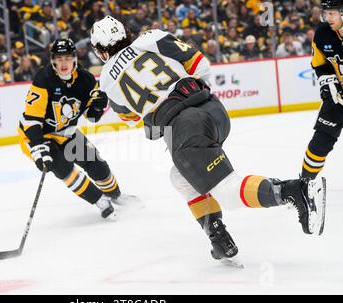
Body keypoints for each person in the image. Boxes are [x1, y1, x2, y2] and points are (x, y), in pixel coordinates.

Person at [90, 16, 326, 265]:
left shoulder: (106, 80)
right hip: (212, 110)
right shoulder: (151, 38)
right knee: (180, 176)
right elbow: (200, 65)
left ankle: (295, 191)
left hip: (184, 128)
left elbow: (132, 119)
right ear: (126, 32)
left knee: (228, 192)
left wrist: (167, 113)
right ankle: (217, 237)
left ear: (101, 51)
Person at [18, 39, 138, 220]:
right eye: (59, 58)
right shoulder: (44, 79)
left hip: (66, 132)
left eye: (67, 58)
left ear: (74, 58)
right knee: (63, 168)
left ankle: (115, 195)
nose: (63, 63)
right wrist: (38, 146)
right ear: (52, 60)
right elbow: (32, 119)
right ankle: (100, 201)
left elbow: (92, 117)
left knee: (96, 163)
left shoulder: (86, 80)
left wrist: (98, 106)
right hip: (37, 135)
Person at [301, 0, 343, 179]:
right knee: (321, 140)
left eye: (332, 13)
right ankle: (304, 185)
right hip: (338, 97)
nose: (328, 17)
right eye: (326, 13)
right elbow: (320, 65)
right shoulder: (323, 33)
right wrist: (329, 83)